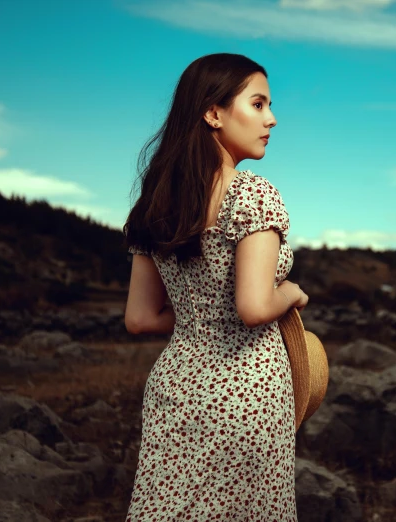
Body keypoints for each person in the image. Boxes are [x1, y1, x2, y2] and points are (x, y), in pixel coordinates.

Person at [122, 53, 308, 521]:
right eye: (259, 103)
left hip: (176, 390)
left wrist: (199, 318)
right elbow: (254, 306)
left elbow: (140, 318)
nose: (272, 118)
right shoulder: (251, 194)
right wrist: (293, 294)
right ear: (213, 112)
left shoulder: (155, 203)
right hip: (246, 392)